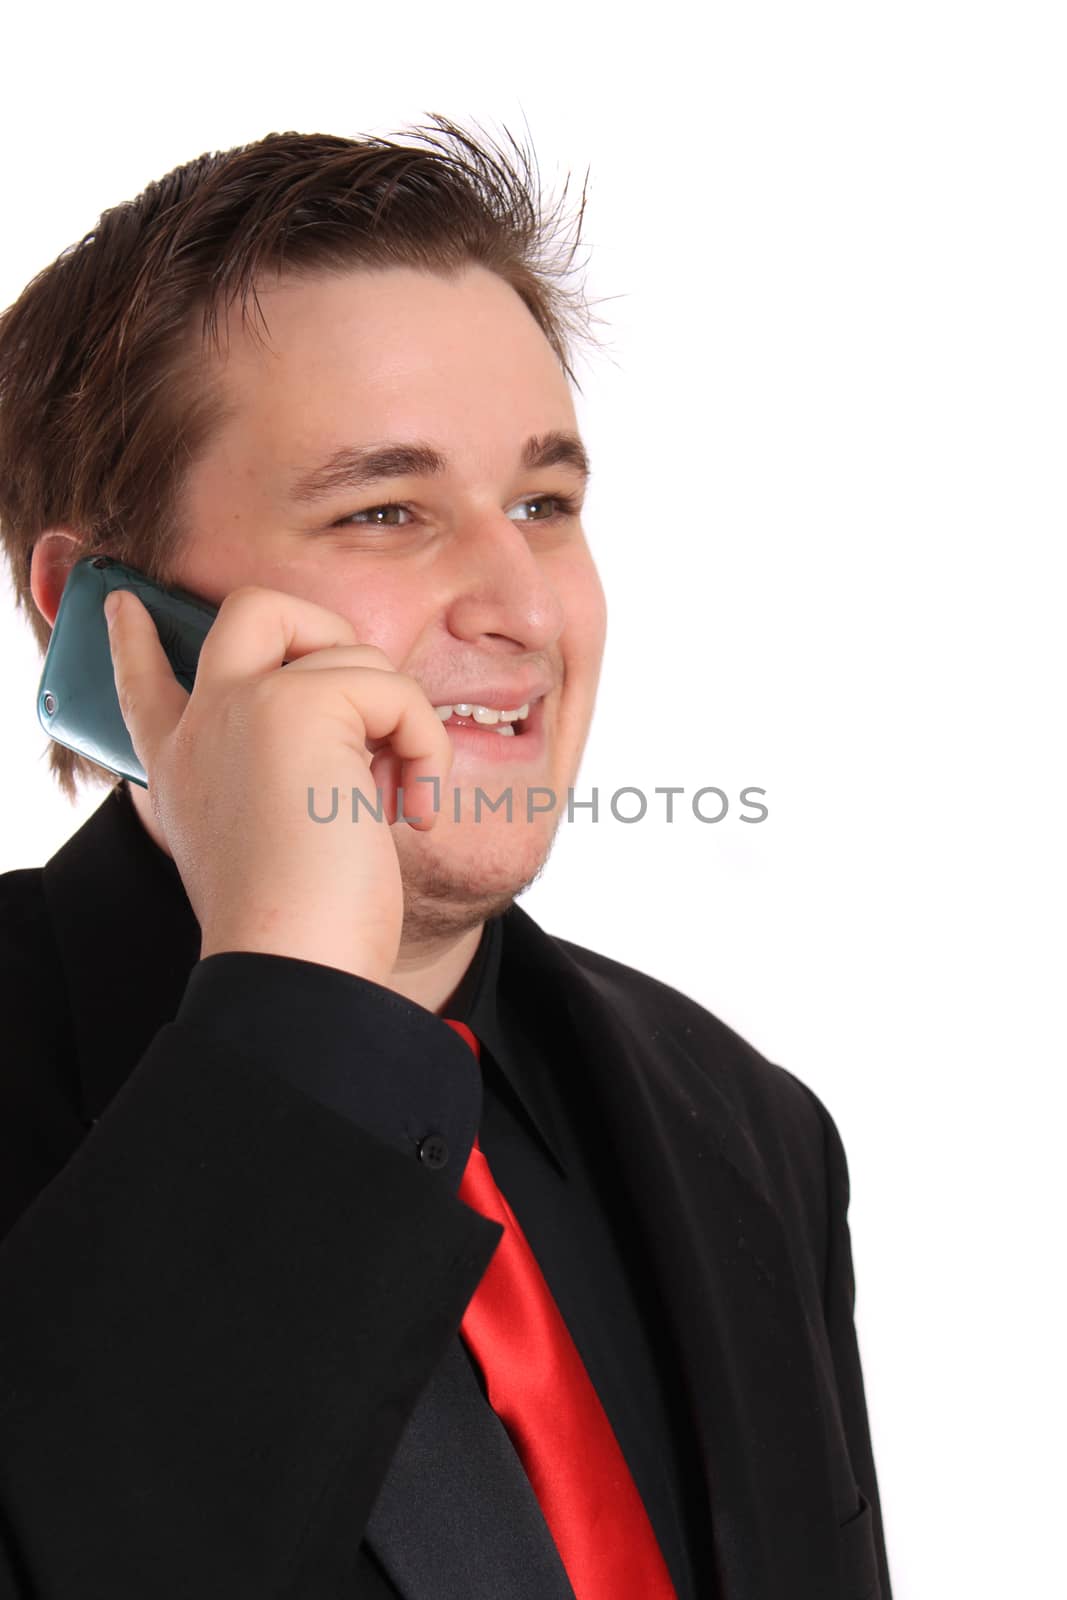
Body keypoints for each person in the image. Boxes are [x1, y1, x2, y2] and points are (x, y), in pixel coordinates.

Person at [0, 118, 891, 1600]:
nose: (524, 607)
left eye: (544, 503)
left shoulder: (748, 1125)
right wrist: (295, 1006)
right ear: (107, 620)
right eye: (388, 511)